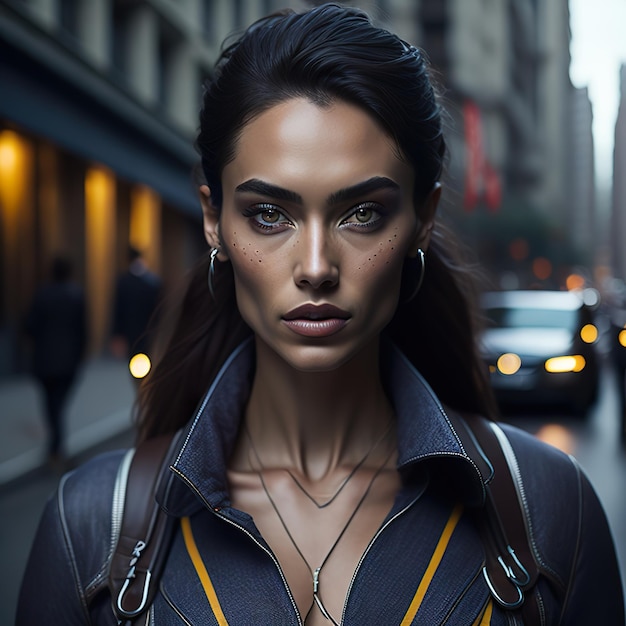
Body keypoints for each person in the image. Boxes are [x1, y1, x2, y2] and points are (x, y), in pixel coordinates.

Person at [17, 4, 624, 624]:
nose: (315, 265)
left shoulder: (550, 511)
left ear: (424, 217)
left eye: (362, 213)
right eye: (269, 214)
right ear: (213, 220)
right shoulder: (90, 526)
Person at [25, 255, 86, 464]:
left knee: (51, 404)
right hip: (69, 362)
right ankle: (57, 447)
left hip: (45, 361)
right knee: (58, 404)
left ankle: (55, 447)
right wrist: (81, 356)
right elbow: (83, 330)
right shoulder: (76, 295)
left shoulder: (42, 295)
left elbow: (29, 326)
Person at [110, 246, 161, 361]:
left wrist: (117, 333)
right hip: (149, 329)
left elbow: (118, 310)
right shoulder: (153, 282)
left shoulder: (124, 282)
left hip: (131, 331)